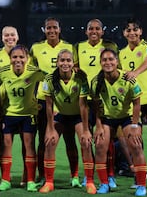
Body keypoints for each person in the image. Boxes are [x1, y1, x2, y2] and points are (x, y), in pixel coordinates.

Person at [30, 17, 81, 187]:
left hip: (65, 100)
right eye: (48, 28)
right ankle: (43, 176)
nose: (51, 30)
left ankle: (74, 176)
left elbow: (75, 71)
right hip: (43, 99)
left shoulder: (69, 47)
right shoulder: (36, 48)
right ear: (44, 30)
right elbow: (31, 73)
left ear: (59, 29)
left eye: (54, 27)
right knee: (45, 139)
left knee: (69, 139)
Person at [74, 18, 125, 188]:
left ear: (102, 31)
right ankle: (88, 175)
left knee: (105, 140)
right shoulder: (78, 47)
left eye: (97, 28)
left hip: (104, 100)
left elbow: (119, 68)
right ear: (86, 31)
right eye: (91, 29)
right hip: (85, 99)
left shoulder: (111, 46)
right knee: (85, 139)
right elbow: (74, 67)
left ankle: (110, 175)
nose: (94, 31)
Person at [91, 48, 147, 196]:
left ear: (117, 62)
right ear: (100, 63)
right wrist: (98, 126)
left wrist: (135, 126)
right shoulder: (96, 81)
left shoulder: (128, 78)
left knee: (136, 145)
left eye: (111, 59)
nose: (107, 62)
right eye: (104, 60)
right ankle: (104, 184)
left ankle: (141, 185)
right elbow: (96, 106)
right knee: (100, 145)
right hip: (108, 118)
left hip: (127, 117)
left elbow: (137, 103)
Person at [39, 49, 95, 194]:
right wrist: (50, 128)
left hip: (77, 116)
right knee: (49, 143)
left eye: (68, 60)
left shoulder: (81, 78)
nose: (65, 63)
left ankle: (89, 182)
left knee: (86, 143)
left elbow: (83, 105)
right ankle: (49, 182)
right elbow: (49, 105)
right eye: (62, 60)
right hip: (61, 115)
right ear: (57, 62)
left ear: (73, 63)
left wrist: (86, 129)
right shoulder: (49, 79)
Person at [119, 18, 147, 192]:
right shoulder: (121, 53)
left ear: (140, 31)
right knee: (135, 140)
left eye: (135, 29)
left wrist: (134, 74)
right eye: (128, 30)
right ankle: (142, 175)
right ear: (124, 33)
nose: (132, 33)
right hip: (133, 102)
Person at [0, 45, 45, 192]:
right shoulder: (2, 72)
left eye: (21, 57)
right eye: (14, 57)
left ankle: (30, 181)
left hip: (28, 115)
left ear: (27, 59)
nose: (18, 60)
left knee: (29, 146)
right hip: (9, 114)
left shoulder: (34, 72)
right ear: (10, 59)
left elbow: (51, 78)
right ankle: (5, 180)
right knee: (6, 146)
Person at [0, 26, 29, 186]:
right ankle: (5, 177)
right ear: (2, 37)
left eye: (12, 34)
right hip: (4, 107)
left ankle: (27, 176)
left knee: (27, 142)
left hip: (23, 107)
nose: (9, 37)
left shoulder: (27, 55)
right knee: (5, 142)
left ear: (17, 36)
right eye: (6, 35)